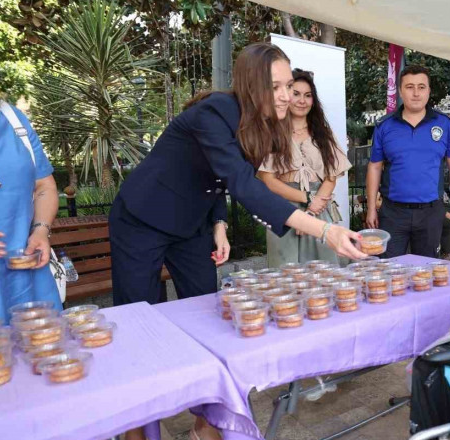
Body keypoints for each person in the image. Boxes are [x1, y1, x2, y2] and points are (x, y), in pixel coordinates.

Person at [109, 43, 366, 440]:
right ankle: (137, 430)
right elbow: (243, 184)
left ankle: (206, 423)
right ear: (251, 83)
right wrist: (325, 229)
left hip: (191, 225)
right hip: (142, 218)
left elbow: (216, 183)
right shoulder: (215, 112)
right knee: (140, 323)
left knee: (208, 316)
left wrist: (219, 225)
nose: (284, 95)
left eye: (288, 85)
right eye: (276, 86)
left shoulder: (264, 122)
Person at [0, 35, 60, 320]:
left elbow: (44, 186)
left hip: (27, 278)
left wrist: (41, 230)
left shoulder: (11, 117)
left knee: (42, 360)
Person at [365, 65, 450, 258]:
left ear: (429, 91)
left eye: (421, 87)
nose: (416, 93)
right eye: (410, 87)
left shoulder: (444, 124)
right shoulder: (385, 126)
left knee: (426, 272)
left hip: (430, 212)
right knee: (388, 269)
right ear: (401, 91)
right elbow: (375, 167)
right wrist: (371, 209)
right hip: (392, 213)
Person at [258, 68, 351, 268]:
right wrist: (306, 199)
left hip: (320, 207)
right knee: (285, 270)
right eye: (296, 94)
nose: (302, 101)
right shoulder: (271, 133)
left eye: (308, 96)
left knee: (324, 269)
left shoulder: (324, 134)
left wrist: (313, 208)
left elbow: (331, 176)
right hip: (283, 208)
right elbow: (268, 180)